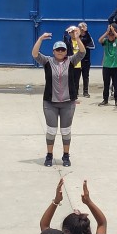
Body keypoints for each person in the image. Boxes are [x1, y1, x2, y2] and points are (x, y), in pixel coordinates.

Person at [31, 31, 85, 168]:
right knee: (51, 130)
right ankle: (49, 156)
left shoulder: (71, 61)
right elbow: (35, 54)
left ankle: (66, 156)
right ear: (53, 51)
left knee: (66, 131)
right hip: (50, 103)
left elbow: (82, 52)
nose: (60, 52)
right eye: (57, 50)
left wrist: (77, 38)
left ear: (66, 51)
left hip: (68, 103)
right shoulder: (48, 61)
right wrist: (41, 39)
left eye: (63, 49)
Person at [97, 23, 117, 107]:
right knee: (106, 84)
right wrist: (107, 32)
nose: (111, 37)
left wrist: (114, 33)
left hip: (115, 66)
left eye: (112, 35)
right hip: (106, 66)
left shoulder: (116, 41)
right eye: (109, 35)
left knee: (116, 84)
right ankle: (105, 99)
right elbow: (99, 40)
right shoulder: (105, 41)